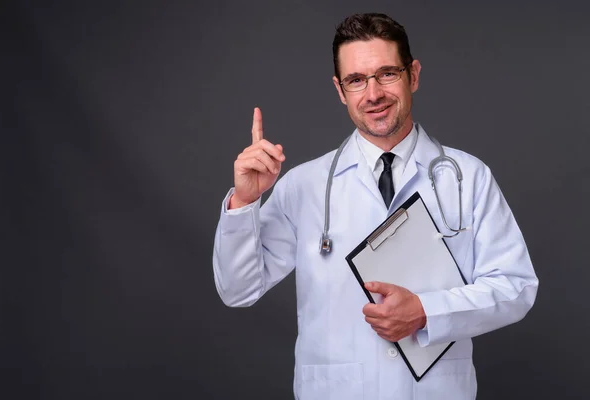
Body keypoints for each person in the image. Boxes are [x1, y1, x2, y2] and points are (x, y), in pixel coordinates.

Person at [212, 12, 538, 400]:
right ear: (340, 90)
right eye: (356, 80)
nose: (373, 94)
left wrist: (427, 311)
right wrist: (245, 201)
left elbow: (515, 287)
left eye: (387, 74)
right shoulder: (304, 186)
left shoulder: (468, 176)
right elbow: (238, 289)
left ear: (413, 75)